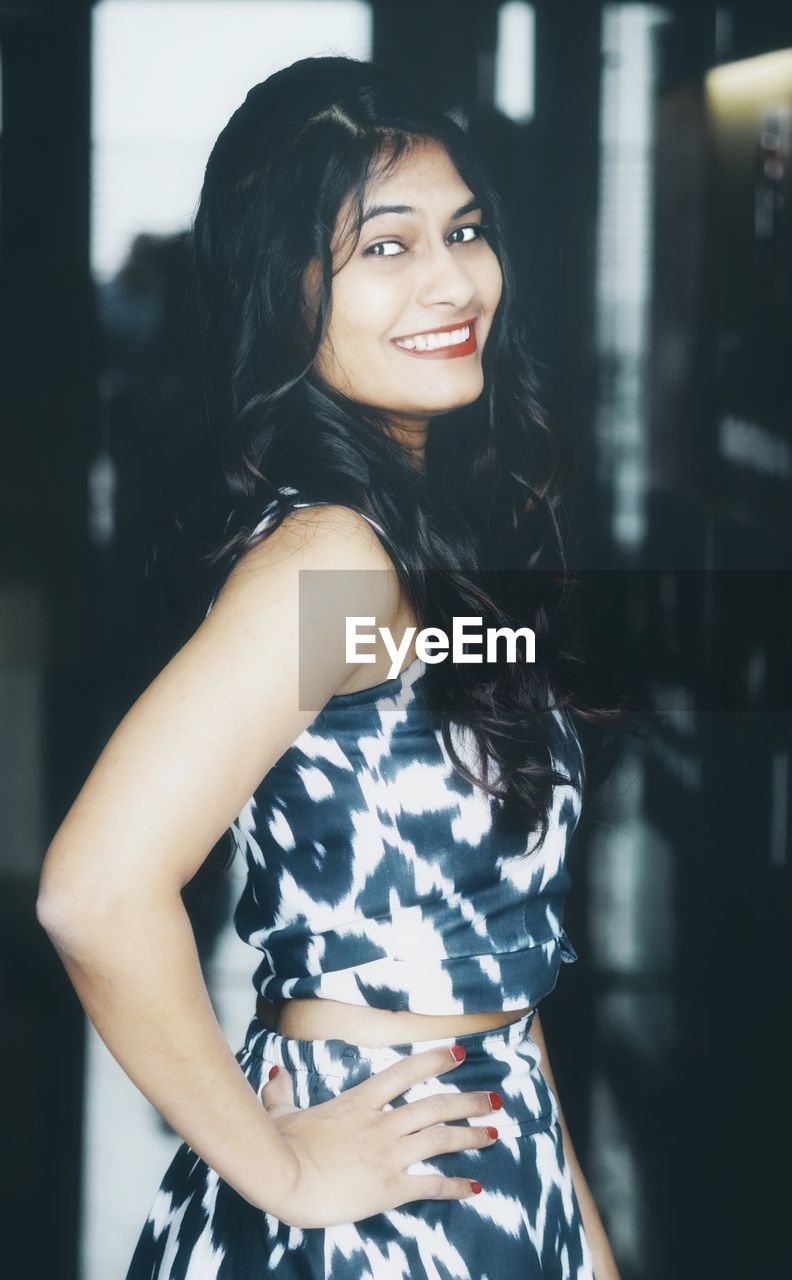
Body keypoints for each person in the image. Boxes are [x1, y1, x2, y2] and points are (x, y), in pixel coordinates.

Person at [37, 56, 621, 1279]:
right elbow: (94, 889)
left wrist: (580, 1232)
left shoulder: (420, 536)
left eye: (464, 230)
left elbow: (494, 964)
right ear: (287, 292)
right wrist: (288, 1167)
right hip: (381, 1210)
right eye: (386, 247)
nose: (454, 279)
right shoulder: (334, 559)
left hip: (495, 1175)